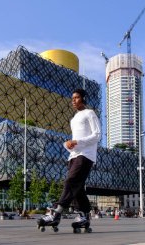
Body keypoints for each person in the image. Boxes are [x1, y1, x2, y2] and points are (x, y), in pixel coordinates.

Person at [38, 88, 101, 231]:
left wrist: (77, 141)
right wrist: (68, 144)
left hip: (86, 155)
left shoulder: (89, 113)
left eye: (77, 97)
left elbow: (97, 135)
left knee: (70, 181)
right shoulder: (73, 119)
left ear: (83, 98)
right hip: (73, 156)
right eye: (72, 98)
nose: (73, 100)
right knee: (77, 188)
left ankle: (56, 212)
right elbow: (74, 141)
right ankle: (84, 215)